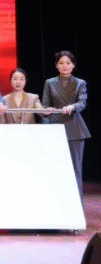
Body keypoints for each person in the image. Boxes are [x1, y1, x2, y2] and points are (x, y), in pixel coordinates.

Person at [43, 50, 90, 201]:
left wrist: (73, 106)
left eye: (68, 63)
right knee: (56, 169)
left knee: (75, 169)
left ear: (73, 65)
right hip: (55, 128)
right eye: (61, 63)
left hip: (75, 129)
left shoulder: (80, 83)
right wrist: (46, 112)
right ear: (56, 65)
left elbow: (82, 103)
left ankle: (77, 207)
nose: (65, 66)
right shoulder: (49, 83)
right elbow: (45, 106)